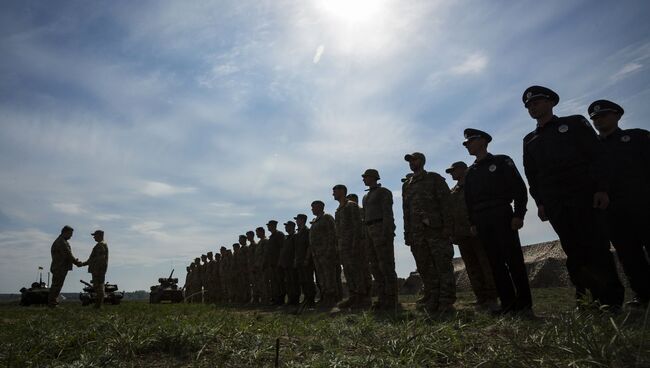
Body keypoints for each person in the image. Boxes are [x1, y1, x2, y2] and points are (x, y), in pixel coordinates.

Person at [522, 86, 624, 309]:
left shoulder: (574, 123)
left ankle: (610, 301)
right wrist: (540, 202)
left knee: (596, 247)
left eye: (536, 102)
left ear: (550, 102)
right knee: (574, 252)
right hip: (555, 202)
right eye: (528, 105)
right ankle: (585, 300)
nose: (532, 107)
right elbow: (532, 175)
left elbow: (597, 156)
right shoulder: (529, 140)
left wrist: (601, 188)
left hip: (584, 196)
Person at [463, 129, 533, 315]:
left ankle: (525, 305)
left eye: (471, 141)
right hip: (481, 219)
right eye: (466, 142)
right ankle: (508, 304)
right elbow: (469, 201)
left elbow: (519, 188)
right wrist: (473, 222)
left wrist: (519, 214)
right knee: (495, 263)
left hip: (502, 214)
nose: (467, 144)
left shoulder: (501, 161)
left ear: (483, 141)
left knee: (514, 260)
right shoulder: (470, 173)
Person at [588, 99, 650, 308]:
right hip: (611, 209)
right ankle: (644, 294)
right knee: (627, 253)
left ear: (617, 115)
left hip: (642, 202)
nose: (599, 120)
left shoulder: (637, 137)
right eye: (595, 118)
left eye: (603, 115)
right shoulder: (590, 149)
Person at [402, 152, 456, 312]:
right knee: (425, 267)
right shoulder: (407, 184)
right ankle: (433, 297)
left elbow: (446, 204)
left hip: (435, 230)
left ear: (422, 161)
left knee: (442, 266)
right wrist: (408, 234)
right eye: (410, 161)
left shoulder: (434, 178)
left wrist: (447, 227)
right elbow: (406, 212)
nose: (412, 162)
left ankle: (446, 300)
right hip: (417, 234)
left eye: (414, 159)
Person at [445, 161, 498, 310]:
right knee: (472, 267)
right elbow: (451, 213)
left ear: (463, 169)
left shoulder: (474, 184)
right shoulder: (453, 191)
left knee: (485, 264)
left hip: (477, 231)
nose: (452, 174)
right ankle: (481, 297)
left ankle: (492, 297)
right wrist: (452, 232)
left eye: (453, 170)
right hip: (461, 234)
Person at [362, 169, 398, 311]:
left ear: (374, 177)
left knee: (386, 265)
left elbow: (388, 213)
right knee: (375, 266)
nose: (364, 179)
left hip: (381, 228)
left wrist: (387, 232)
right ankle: (382, 298)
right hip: (369, 230)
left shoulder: (384, 192)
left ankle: (392, 299)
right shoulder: (366, 197)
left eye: (366, 177)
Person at [333, 184, 372, 309]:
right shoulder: (338, 210)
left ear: (342, 192)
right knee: (349, 272)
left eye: (335, 192)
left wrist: (356, 244)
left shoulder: (351, 206)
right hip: (344, 246)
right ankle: (353, 296)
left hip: (353, 245)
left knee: (357, 270)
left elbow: (358, 227)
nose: (333, 194)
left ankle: (363, 297)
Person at [309, 200, 339, 307]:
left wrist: (330, 250)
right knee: (321, 277)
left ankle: (332, 298)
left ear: (320, 207)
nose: (312, 209)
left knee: (329, 276)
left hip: (326, 252)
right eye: (312, 207)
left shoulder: (327, 218)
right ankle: (325, 297)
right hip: (317, 254)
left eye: (314, 207)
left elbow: (333, 234)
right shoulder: (314, 220)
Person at [48, 225, 82, 308]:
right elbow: (68, 255)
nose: (71, 236)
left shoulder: (62, 241)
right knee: (56, 286)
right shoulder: (61, 242)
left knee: (57, 286)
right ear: (65, 232)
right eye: (70, 234)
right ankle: (52, 304)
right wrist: (76, 262)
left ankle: (53, 303)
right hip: (59, 267)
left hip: (60, 267)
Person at [80, 230, 109, 309]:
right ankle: (98, 305)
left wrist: (98, 270)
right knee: (99, 287)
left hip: (98, 270)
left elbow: (100, 259)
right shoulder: (101, 245)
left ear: (99, 235)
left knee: (98, 287)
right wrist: (83, 264)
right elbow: (92, 259)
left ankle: (98, 306)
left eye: (95, 235)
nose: (94, 237)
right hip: (98, 269)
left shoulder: (100, 245)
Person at [294, 214, 317, 306]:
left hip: (306, 260)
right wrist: (296, 259)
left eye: (298, 219)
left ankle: (311, 299)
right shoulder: (299, 233)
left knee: (308, 280)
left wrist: (307, 258)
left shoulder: (307, 231)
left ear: (302, 220)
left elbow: (309, 246)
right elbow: (296, 248)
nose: (296, 221)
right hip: (299, 260)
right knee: (302, 280)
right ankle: (306, 298)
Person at [279, 221, 301, 305]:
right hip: (287, 264)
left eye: (287, 226)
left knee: (294, 282)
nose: (285, 228)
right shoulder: (287, 238)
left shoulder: (295, 236)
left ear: (291, 227)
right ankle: (291, 298)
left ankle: (295, 299)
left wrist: (295, 260)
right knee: (288, 282)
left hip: (292, 263)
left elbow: (297, 249)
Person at [266, 220, 286, 305]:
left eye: (269, 225)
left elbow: (282, 248)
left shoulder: (279, 235)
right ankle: (276, 298)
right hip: (272, 263)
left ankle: (281, 299)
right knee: (274, 282)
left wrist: (280, 261)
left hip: (278, 262)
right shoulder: (271, 237)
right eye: (268, 225)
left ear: (274, 226)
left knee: (280, 281)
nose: (268, 227)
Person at [255, 227, 271, 304]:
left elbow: (265, 254)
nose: (256, 234)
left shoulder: (265, 241)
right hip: (259, 265)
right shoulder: (260, 242)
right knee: (261, 283)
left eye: (257, 232)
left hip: (264, 266)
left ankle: (267, 299)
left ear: (262, 232)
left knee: (265, 283)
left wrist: (263, 264)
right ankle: (264, 299)